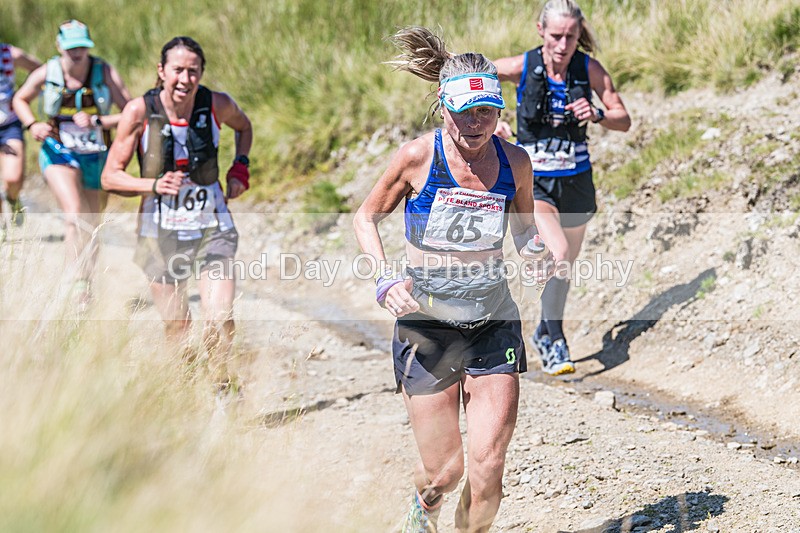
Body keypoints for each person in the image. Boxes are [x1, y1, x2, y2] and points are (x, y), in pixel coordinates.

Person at [354, 26, 549, 533]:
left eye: (486, 111)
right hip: (428, 324)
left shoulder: (515, 161)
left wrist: (535, 251)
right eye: (464, 111)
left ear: (498, 110)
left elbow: (524, 226)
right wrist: (383, 278)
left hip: (492, 320)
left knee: (488, 472)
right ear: (444, 105)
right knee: (445, 471)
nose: (475, 123)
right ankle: (423, 511)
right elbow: (364, 217)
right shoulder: (419, 157)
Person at [101, 37, 252, 385]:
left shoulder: (216, 104)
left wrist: (239, 169)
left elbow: (244, 128)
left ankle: (221, 391)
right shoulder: (140, 111)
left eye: (193, 71)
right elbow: (110, 176)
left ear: (201, 74)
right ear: (162, 71)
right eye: (178, 70)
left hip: (212, 228)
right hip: (160, 234)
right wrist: (153, 186)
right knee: (178, 327)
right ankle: (183, 394)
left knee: (219, 316)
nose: (185, 79)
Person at [493, 0, 631, 375]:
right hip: (535, 182)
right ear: (541, 31)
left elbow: (624, 119)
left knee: (565, 265)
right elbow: (470, 73)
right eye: (556, 35)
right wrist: (493, 120)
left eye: (571, 36)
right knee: (556, 253)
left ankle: (544, 329)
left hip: (577, 182)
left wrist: (598, 114)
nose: (563, 43)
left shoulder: (589, 68)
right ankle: (556, 340)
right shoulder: (524, 66)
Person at [13, 20, 130, 301]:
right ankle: (75, 280)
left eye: (81, 46)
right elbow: (20, 99)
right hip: (58, 151)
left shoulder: (104, 72)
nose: (76, 52)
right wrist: (32, 125)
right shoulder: (47, 72)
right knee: (74, 213)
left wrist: (98, 120)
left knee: (91, 221)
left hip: (97, 154)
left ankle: (86, 281)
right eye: (70, 47)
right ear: (59, 46)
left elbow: (131, 111)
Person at [0, 42, 40, 234]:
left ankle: (13, 198)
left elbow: (41, 70)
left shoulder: (10, 54)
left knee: (13, 178)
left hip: (9, 123)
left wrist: (23, 95)